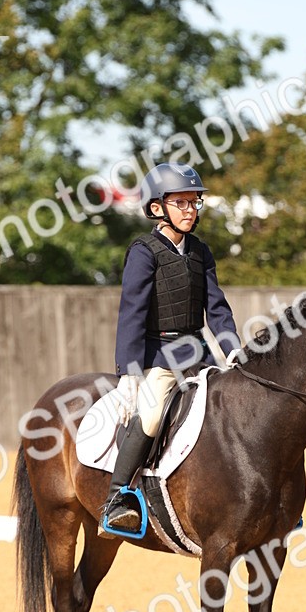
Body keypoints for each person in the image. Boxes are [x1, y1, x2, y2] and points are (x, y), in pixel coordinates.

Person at [98, 162, 239, 537]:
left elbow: (218, 308)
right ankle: (117, 499)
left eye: (195, 203)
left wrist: (234, 352)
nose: (191, 210)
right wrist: (129, 372)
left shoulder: (201, 251)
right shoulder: (144, 252)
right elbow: (132, 312)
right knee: (152, 414)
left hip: (199, 351)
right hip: (159, 353)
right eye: (182, 202)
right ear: (158, 207)